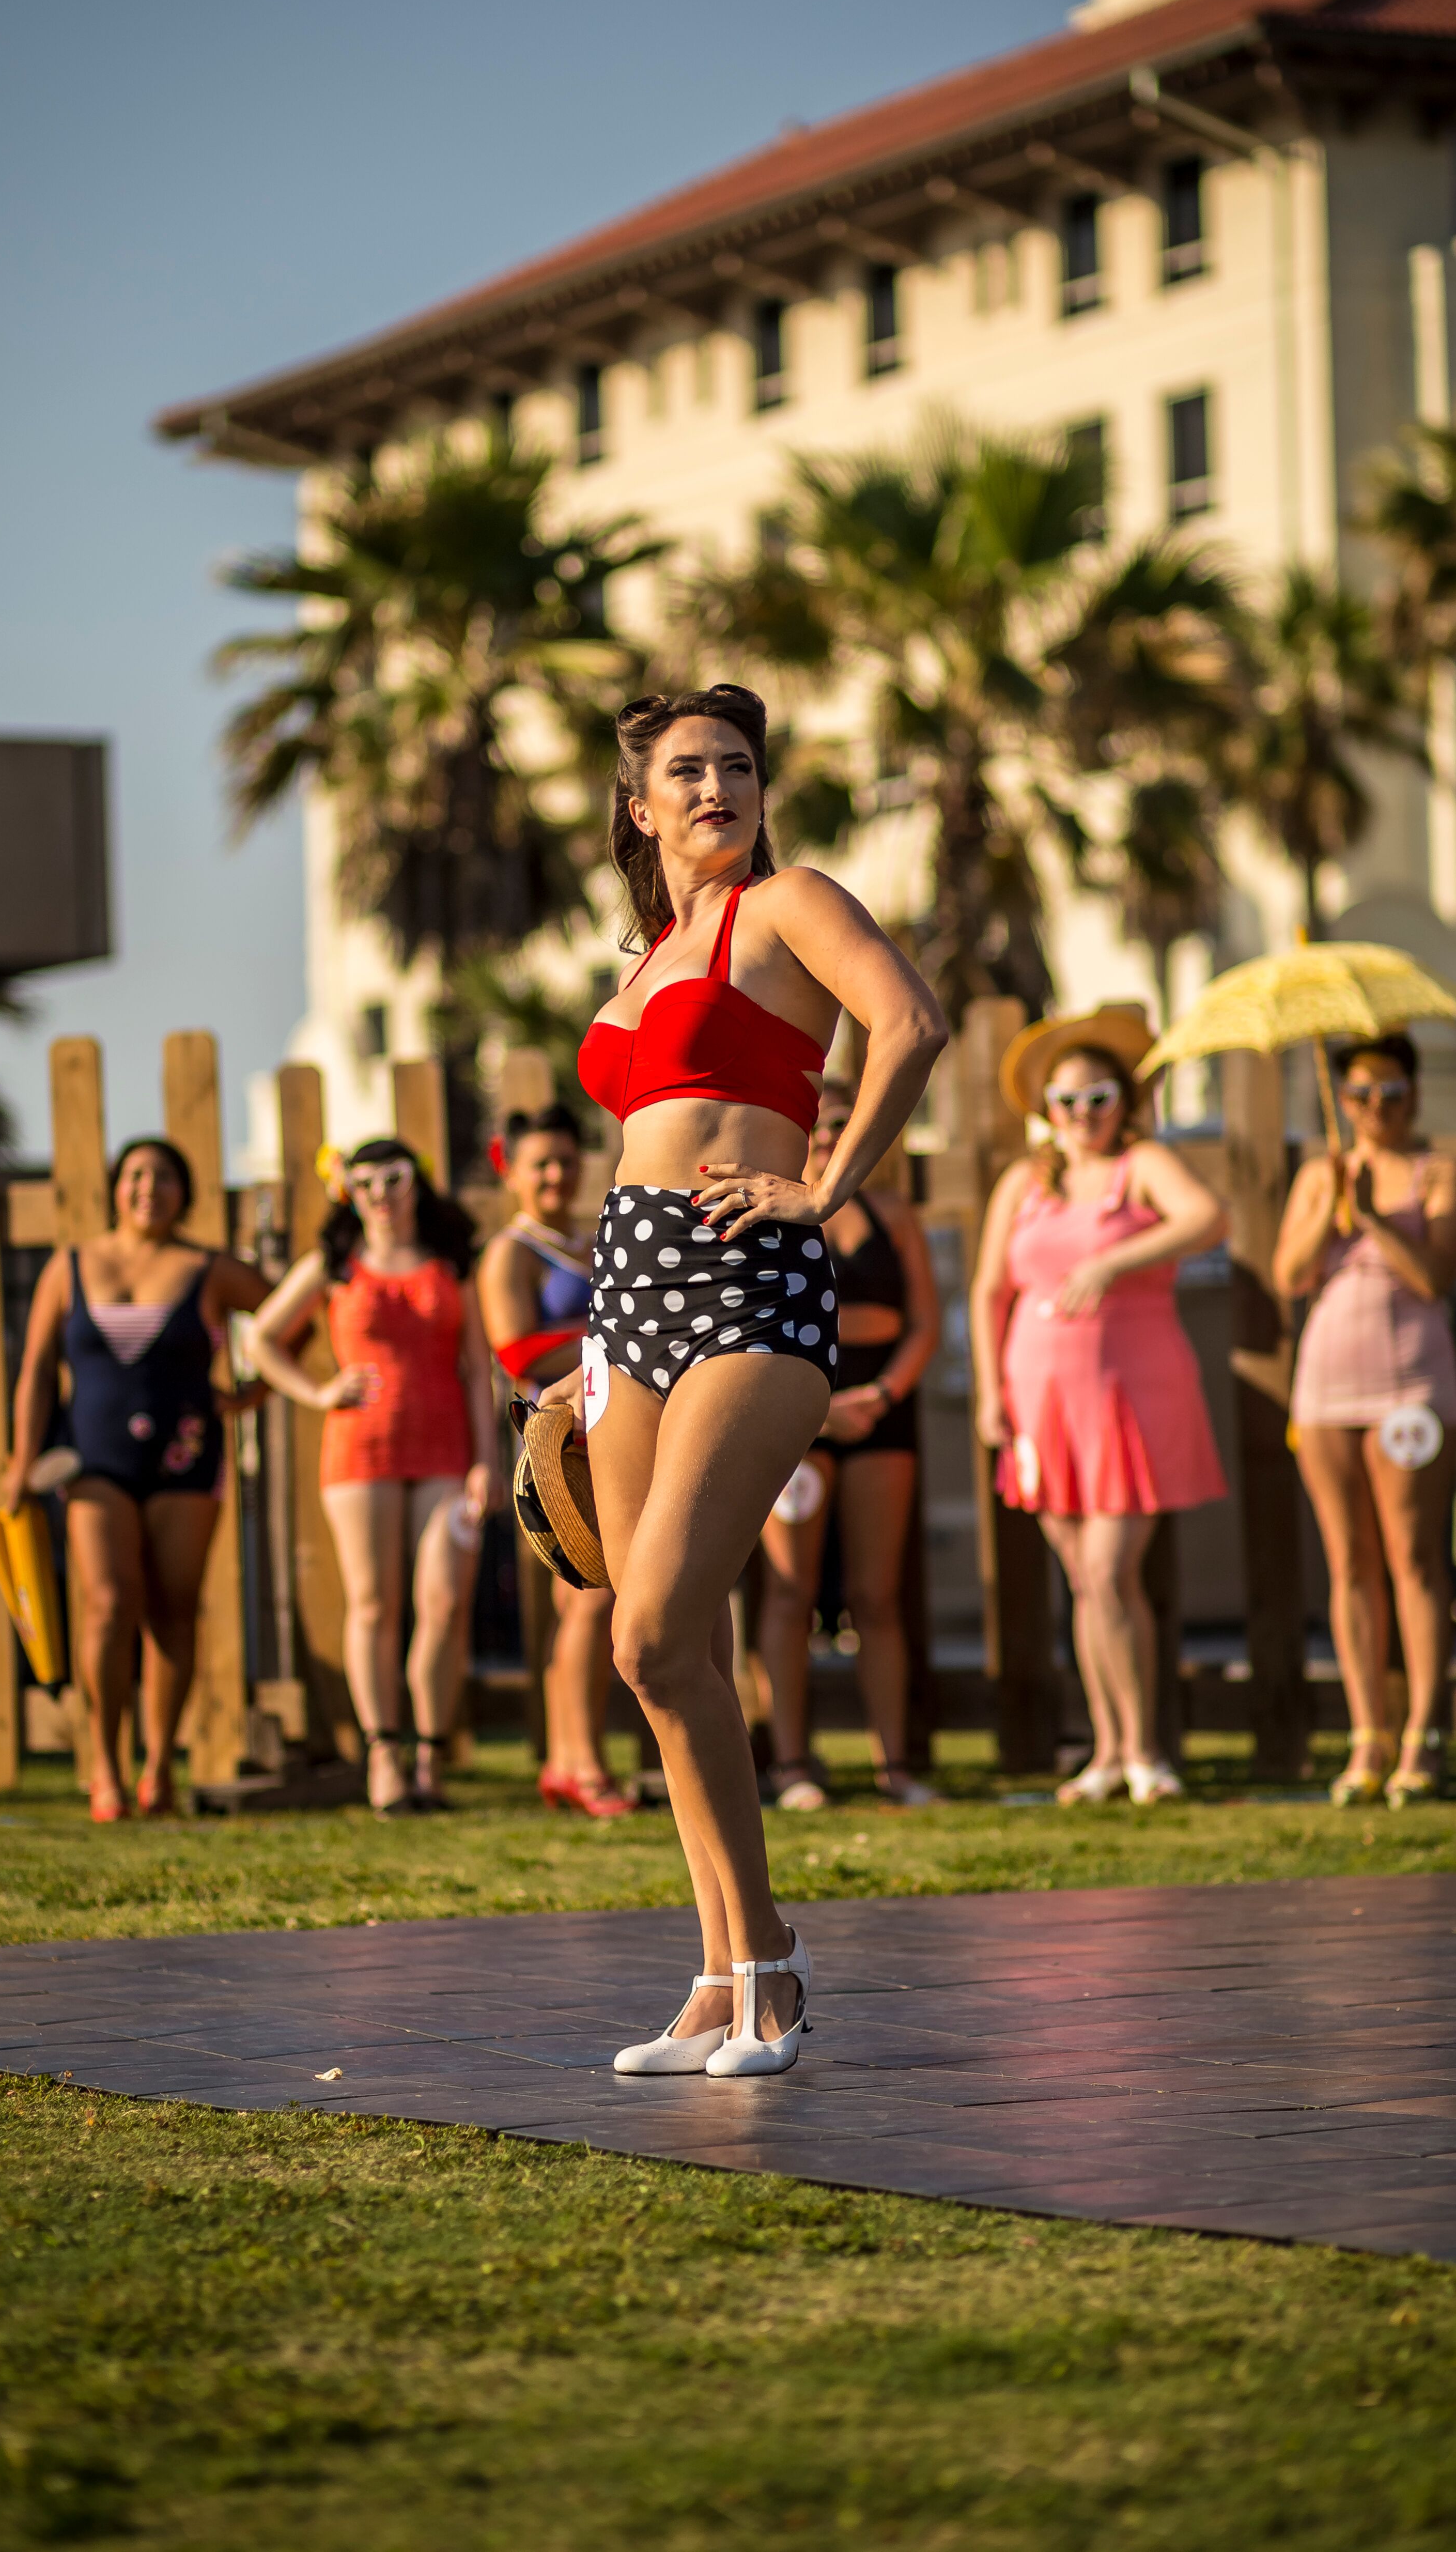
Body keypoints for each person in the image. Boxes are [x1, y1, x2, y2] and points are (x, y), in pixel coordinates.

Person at [557, 682, 945, 2077]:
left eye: (737, 765)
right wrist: (585, 1355)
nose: (718, 787)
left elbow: (911, 1025)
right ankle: (719, 1981)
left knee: (651, 1634)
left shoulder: (784, 909)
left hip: (746, 1284)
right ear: (640, 804)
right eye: (689, 771)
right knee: (678, 1666)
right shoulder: (642, 961)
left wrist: (827, 1190)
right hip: (629, 1303)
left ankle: (771, 1957)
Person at [971, 1008, 1226, 1807]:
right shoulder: (1024, 1181)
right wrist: (990, 1393)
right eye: (1067, 1102)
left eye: (1099, 1099)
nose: (1083, 1116)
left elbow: (1208, 1218)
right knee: (1085, 1579)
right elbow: (988, 1293)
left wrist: (1115, 1260)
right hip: (1039, 1396)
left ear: (1126, 1102)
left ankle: (1146, 1749)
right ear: (1044, 1110)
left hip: (1133, 1390)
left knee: (1113, 1571)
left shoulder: (1143, 1164)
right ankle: (1111, 1752)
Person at [6, 1140, 271, 1821]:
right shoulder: (69, 1267)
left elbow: (286, 1319)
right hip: (92, 1461)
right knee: (107, 1603)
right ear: (115, 1187)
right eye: (134, 1175)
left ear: (186, 1193)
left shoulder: (209, 1269)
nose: (148, 1187)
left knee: (173, 1609)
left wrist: (250, 1392)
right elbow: (37, 1369)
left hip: (185, 1460)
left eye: (163, 1177)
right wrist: (20, 1461)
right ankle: (105, 1766)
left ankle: (159, 1770)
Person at [249, 1138, 498, 1815]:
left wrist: (489, 1460)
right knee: (373, 1604)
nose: (380, 1195)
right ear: (348, 1195)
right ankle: (383, 1756)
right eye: (363, 1185)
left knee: (445, 1603)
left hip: (447, 1451)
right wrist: (318, 1391)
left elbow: (480, 1368)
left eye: (392, 1179)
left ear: (415, 1183)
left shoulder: (454, 1262)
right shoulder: (333, 1264)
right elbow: (260, 1337)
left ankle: (429, 1756)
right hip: (360, 1453)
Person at [1273, 1031, 1456, 1808]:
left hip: (1410, 1385)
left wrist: (1377, 1220)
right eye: (1359, 1095)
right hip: (1327, 1386)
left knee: (1414, 1559)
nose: (1374, 1109)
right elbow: (1292, 1275)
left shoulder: (1441, 1173)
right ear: (1344, 1101)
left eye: (1390, 1094)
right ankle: (1368, 1735)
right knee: (1349, 1561)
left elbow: (1436, 1277)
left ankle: (1425, 1733)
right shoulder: (1321, 1175)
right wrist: (1330, 1205)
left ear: (1414, 1096)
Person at [755, 1074, 943, 1809]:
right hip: (796, 1413)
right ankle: (793, 1762)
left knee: (878, 1594)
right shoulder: (770, 1210)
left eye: (842, 1125)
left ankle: (894, 1765)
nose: (829, 1140)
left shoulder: (892, 1212)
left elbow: (925, 1322)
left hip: (879, 1410)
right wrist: (820, 1409)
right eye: (818, 1127)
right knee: (789, 1593)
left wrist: (883, 1395)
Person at [478, 1103, 631, 1820]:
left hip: (612, 1428)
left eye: (566, 1161)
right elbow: (515, 1352)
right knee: (587, 1597)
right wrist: (612, 1336)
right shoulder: (511, 1251)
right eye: (540, 1163)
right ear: (512, 1170)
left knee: (599, 1599)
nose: (555, 1175)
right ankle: (580, 1764)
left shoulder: (593, 1236)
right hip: (557, 1439)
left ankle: (568, 1759)